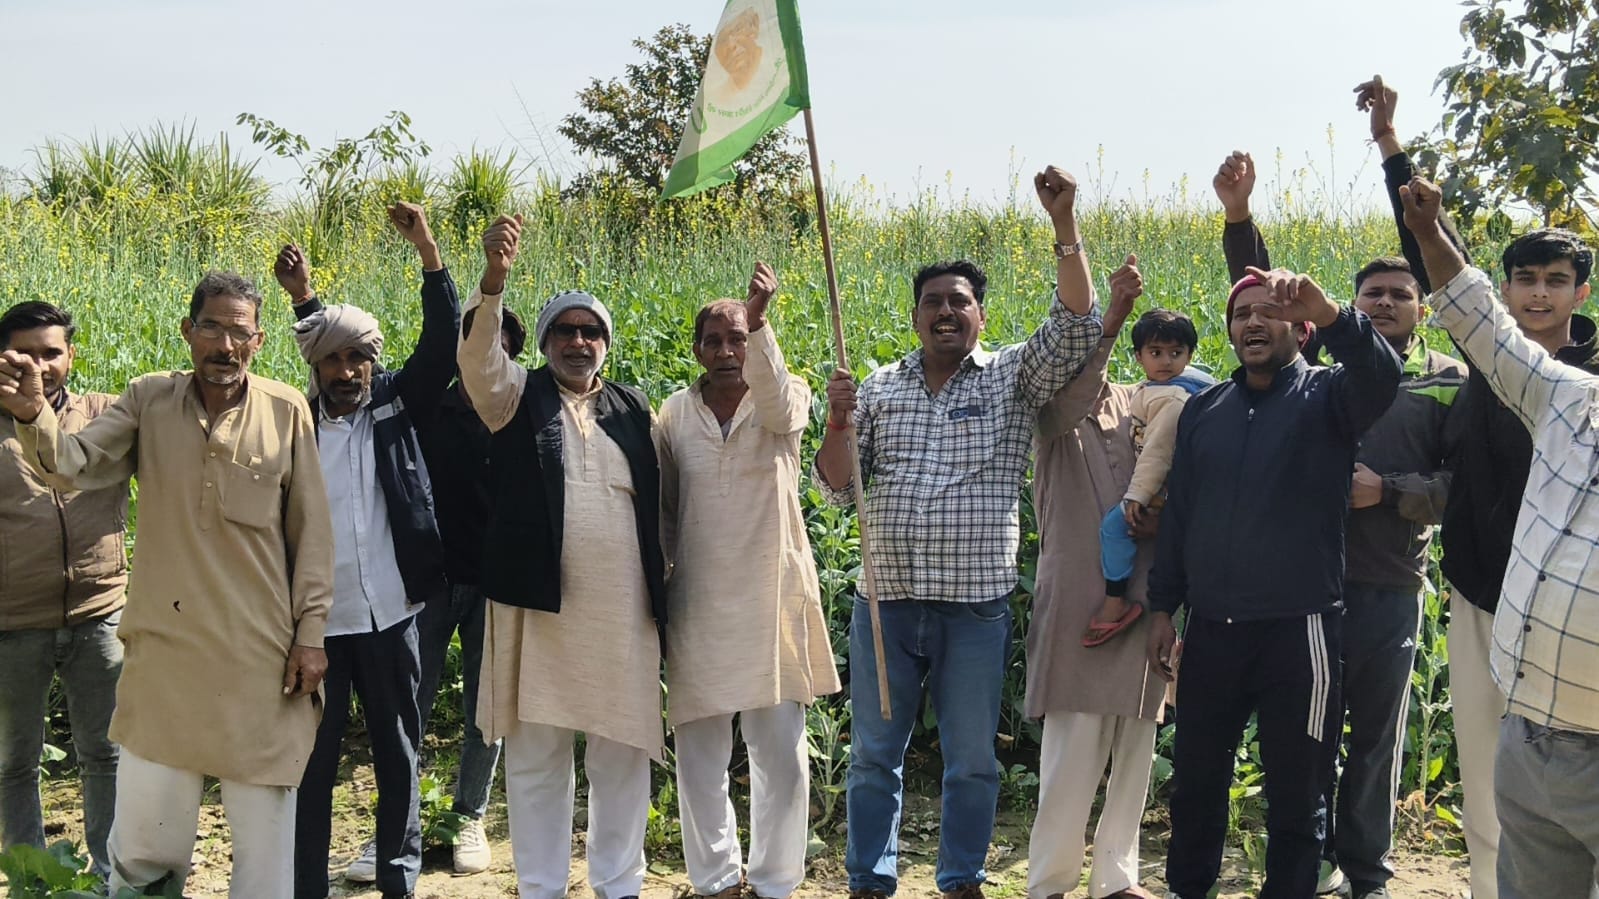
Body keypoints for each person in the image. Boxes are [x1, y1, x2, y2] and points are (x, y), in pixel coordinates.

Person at [815, 165, 1104, 899]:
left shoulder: (1011, 378)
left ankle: (962, 877)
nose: (945, 311)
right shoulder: (878, 387)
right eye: (932, 302)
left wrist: (1063, 224)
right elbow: (837, 487)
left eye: (959, 301)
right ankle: (868, 878)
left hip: (974, 609)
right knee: (873, 755)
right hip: (885, 606)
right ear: (915, 315)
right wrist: (838, 421)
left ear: (979, 313)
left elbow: (1075, 325)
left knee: (971, 759)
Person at [0, 273, 335, 898]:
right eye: (211, 328)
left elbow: (312, 534)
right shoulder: (149, 401)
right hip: (165, 663)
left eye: (239, 332)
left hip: (259, 662)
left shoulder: (285, 409)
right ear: (187, 331)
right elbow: (72, 465)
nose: (225, 346)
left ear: (259, 340)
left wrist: (311, 633)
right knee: (144, 853)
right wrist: (31, 414)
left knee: (264, 850)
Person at [1354, 75, 1599, 899]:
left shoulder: (1584, 384)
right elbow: (1436, 252)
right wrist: (1389, 145)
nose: (1537, 293)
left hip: (1573, 622)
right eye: (1523, 279)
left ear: (1579, 290)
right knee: (1489, 761)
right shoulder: (1487, 364)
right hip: (1480, 586)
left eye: (1554, 279)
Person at [1214, 130, 1466, 899]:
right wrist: (1238, 216)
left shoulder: (1448, 381)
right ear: (1347, 309)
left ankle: (1367, 872)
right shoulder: (1320, 374)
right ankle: (1309, 859)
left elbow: (1461, 486)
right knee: (1304, 733)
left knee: (1376, 739)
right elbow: (1265, 299)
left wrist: (1385, 491)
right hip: (1305, 589)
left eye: (1398, 294)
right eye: (1370, 294)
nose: (1383, 302)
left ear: (1422, 308)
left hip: (1389, 583)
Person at [1145, 257, 1402, 898]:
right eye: (1241, 314)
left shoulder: (1331, 397)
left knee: (1299, 790)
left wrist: (1333, 312)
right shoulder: (1205, 409)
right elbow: (1181, 515)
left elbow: (1382, 375)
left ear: (1301, 329)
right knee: (1196, 782)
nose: (1253, 322)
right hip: (1212, 631)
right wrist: (1162, 608)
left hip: (1300, 631)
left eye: (1270, 311)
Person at [458, 213, 667, 899]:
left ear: (605, 343)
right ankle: (542, 886)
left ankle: (619, 883)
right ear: (545, 341)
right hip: (537, 608)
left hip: (621, 614)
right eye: (565, 331)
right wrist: (494, 280)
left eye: (591, 331)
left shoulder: (634, 408)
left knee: (621, 752)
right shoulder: (515, 395)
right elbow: (477, 362)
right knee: (537, 755)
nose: (579, 342)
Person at [273, 202, 456, 899]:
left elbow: (441, 341)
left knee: (398, 753)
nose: (346, 369)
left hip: (392, 613)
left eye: (358, 357)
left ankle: (398, 879)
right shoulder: (293, 423)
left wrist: (428, 251)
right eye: (333, 358)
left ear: (373, 364)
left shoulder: (395, 405)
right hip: (316, 628)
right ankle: (305, 886)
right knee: (312, 765)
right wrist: (302, 298)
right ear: (315, 367)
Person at [658, 262, 841, 899]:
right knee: (699, 754)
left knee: (781, 753)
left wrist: (759, 319)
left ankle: (774, 881)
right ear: (697, 351)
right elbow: (665, 508)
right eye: (714, 340)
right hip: (698, 600)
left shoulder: (784, 396)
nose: (727, 351)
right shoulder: (673, 414)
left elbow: (783, 408)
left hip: (773, 598)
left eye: (738, 338)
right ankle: (714, 881)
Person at [1024, 256, 1162, 899]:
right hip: (1078, 594)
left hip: (1146, 596)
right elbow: (1081, 386)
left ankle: (1116, 878)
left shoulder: (1145, 402)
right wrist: (1113, 316)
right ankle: (1050, 880)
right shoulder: (1052, 406)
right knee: (1072, 747)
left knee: (1136, 741)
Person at [0, 302, 128, 879]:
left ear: (71, 355)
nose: (39, 365)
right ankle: (29, 877)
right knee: (14, 761)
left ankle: (110, 875)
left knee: (106, 753)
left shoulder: (104, 414)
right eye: (24, 353)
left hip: (99, 611)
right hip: (12, 621)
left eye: (51, 352)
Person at [412, 299, 527, 876]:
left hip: (495, 582)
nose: (486, 354)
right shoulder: (426, 406)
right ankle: (400, 821)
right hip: (428, 580)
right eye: (476, 342)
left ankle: (469, 817)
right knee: (409, 700)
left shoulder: (520, 411)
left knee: (488, 706)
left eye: (498, 345)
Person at [1088, 305, 1214, 648]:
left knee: (1114, 527)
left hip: (1163, 489)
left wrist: (1137, 496)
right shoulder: (1176, 387)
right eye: (1156, 353)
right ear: (1138, 356)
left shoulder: (1171, 398)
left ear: (1189, 354)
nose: (1166, 361)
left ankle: (1115, 602)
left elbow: (1158, 452)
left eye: (1176, 353)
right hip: (1184, 491)